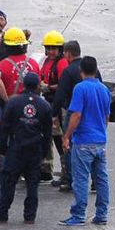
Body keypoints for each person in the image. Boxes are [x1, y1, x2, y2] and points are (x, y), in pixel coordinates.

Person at [0, 73, 51, 225]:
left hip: (16, 149)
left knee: (8, 182)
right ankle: (30, 216)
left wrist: (2, 150)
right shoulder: (44, 105)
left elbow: (4, 128)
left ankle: (1, 213)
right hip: (35, 149)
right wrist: (44, 151)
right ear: (37, 87)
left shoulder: (13, 103)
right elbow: (47, 133)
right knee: (32, 184)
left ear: (23, 85)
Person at [59, 57, 111, 226]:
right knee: (101, 179)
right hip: (100, 141)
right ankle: (102, 214)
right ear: (96, 70)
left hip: (83, 141)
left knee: (80, 179)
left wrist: (67, 136)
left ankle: (79, 215)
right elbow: (106, 116)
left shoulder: (80, 88)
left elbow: (76, 114)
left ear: (81, 71)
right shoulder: (104, 89)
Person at [52, 41, 101, 191]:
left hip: (72, 112)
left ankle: (69, 179)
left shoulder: (68, 71)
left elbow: (60, 95)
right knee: (92, 145)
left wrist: (54, 115)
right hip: (92, 112)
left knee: (69, 144)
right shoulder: (94, 70)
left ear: (67, 53)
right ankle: (95, 181)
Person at [39, 31, 69, 183]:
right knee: (47, 136)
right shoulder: (46, 61)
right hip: (48, 102)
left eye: (54, 48)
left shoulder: (61, 63)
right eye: (49, 48)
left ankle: (66, 172)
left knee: (59, 138)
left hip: (58, 104)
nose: (51, 51)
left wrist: (49, 87)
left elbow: (64, 84)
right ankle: (46, 169)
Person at [0, 27, 41, 97]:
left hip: (11, 105)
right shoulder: (34, 64)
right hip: (32, 105)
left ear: (5, 45)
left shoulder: (1, 66)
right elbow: (38, 87)